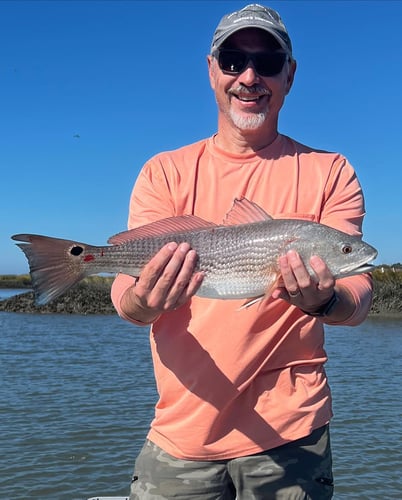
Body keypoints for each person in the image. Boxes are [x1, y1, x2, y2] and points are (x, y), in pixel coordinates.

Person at [111, 4, 373, 499]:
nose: (250, 77)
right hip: (181, 431)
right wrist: (146, 299)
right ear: (212, 69)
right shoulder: (163, 172)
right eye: (233, 60)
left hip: (292, 434)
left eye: (268, 61)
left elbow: (358, 291)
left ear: (289, 75)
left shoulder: (331, 170)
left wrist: (324, 301)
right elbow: (127, 299)